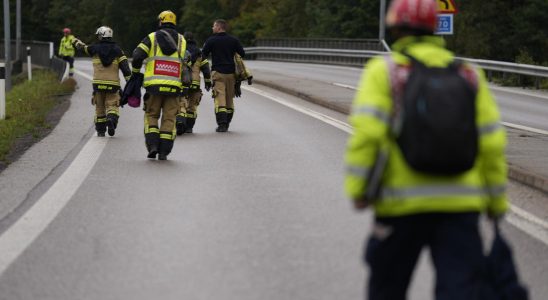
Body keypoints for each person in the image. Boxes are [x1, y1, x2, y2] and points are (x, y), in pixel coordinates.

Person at [344, 0, 509, 299]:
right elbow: (491, 144)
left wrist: (359, 190)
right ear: (437, 28)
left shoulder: (386, 71)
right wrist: (496, 202)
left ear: (395, 28)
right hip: (460, 209)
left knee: (387, 288)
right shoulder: (469, 75)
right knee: (460, 290)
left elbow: (368, 135)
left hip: (399, 205)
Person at [131, 10, 189, 160]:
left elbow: (137, 56)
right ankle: (164, 151)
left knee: (151, 115)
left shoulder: (151, 37)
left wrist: (136, 73)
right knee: (169, 119)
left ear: (161, 22)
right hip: (174, 87)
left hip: (154, 87)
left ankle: (153, 146)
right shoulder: (182, 40)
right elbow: (186, 61)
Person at [73, 26, 131, 137]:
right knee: (113, 105)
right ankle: (111, 119)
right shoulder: (118, 50)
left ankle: (100, 131)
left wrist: (76, 41)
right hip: (113, 85)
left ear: (101, 35)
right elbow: (125, 68)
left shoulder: (94, 48)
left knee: (99, 107)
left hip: (98, 85)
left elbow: (82, 48)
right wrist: (130, 83)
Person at [201, 19, 246, 132]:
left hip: (218, 73)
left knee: (220, 98)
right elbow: (242, 53)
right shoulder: (233, 40)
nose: (212, 28)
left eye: (214, 26)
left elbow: (203, 55)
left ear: (219, 27)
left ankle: (222, 125)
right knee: (229, 99)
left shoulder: (211, 40)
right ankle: (228, 123)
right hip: (231, 74)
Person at [176, 31, 212, 135]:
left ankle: (180, 123)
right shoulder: (199, 53)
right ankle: (189, 128)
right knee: (192, 106)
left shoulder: (180, 51)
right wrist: (208, 81)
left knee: (181, 103)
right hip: (195, 84)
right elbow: (205, 69)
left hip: (182, 82)